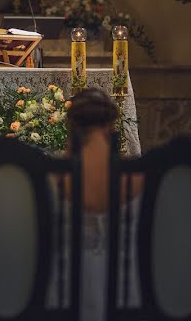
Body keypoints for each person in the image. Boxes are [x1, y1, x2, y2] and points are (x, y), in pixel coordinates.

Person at [54, 88, 142, 321]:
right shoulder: (138, 180)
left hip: (64, 290)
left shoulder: (54, 179)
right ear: (112, 125)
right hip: (127, 290)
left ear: (71, 126)